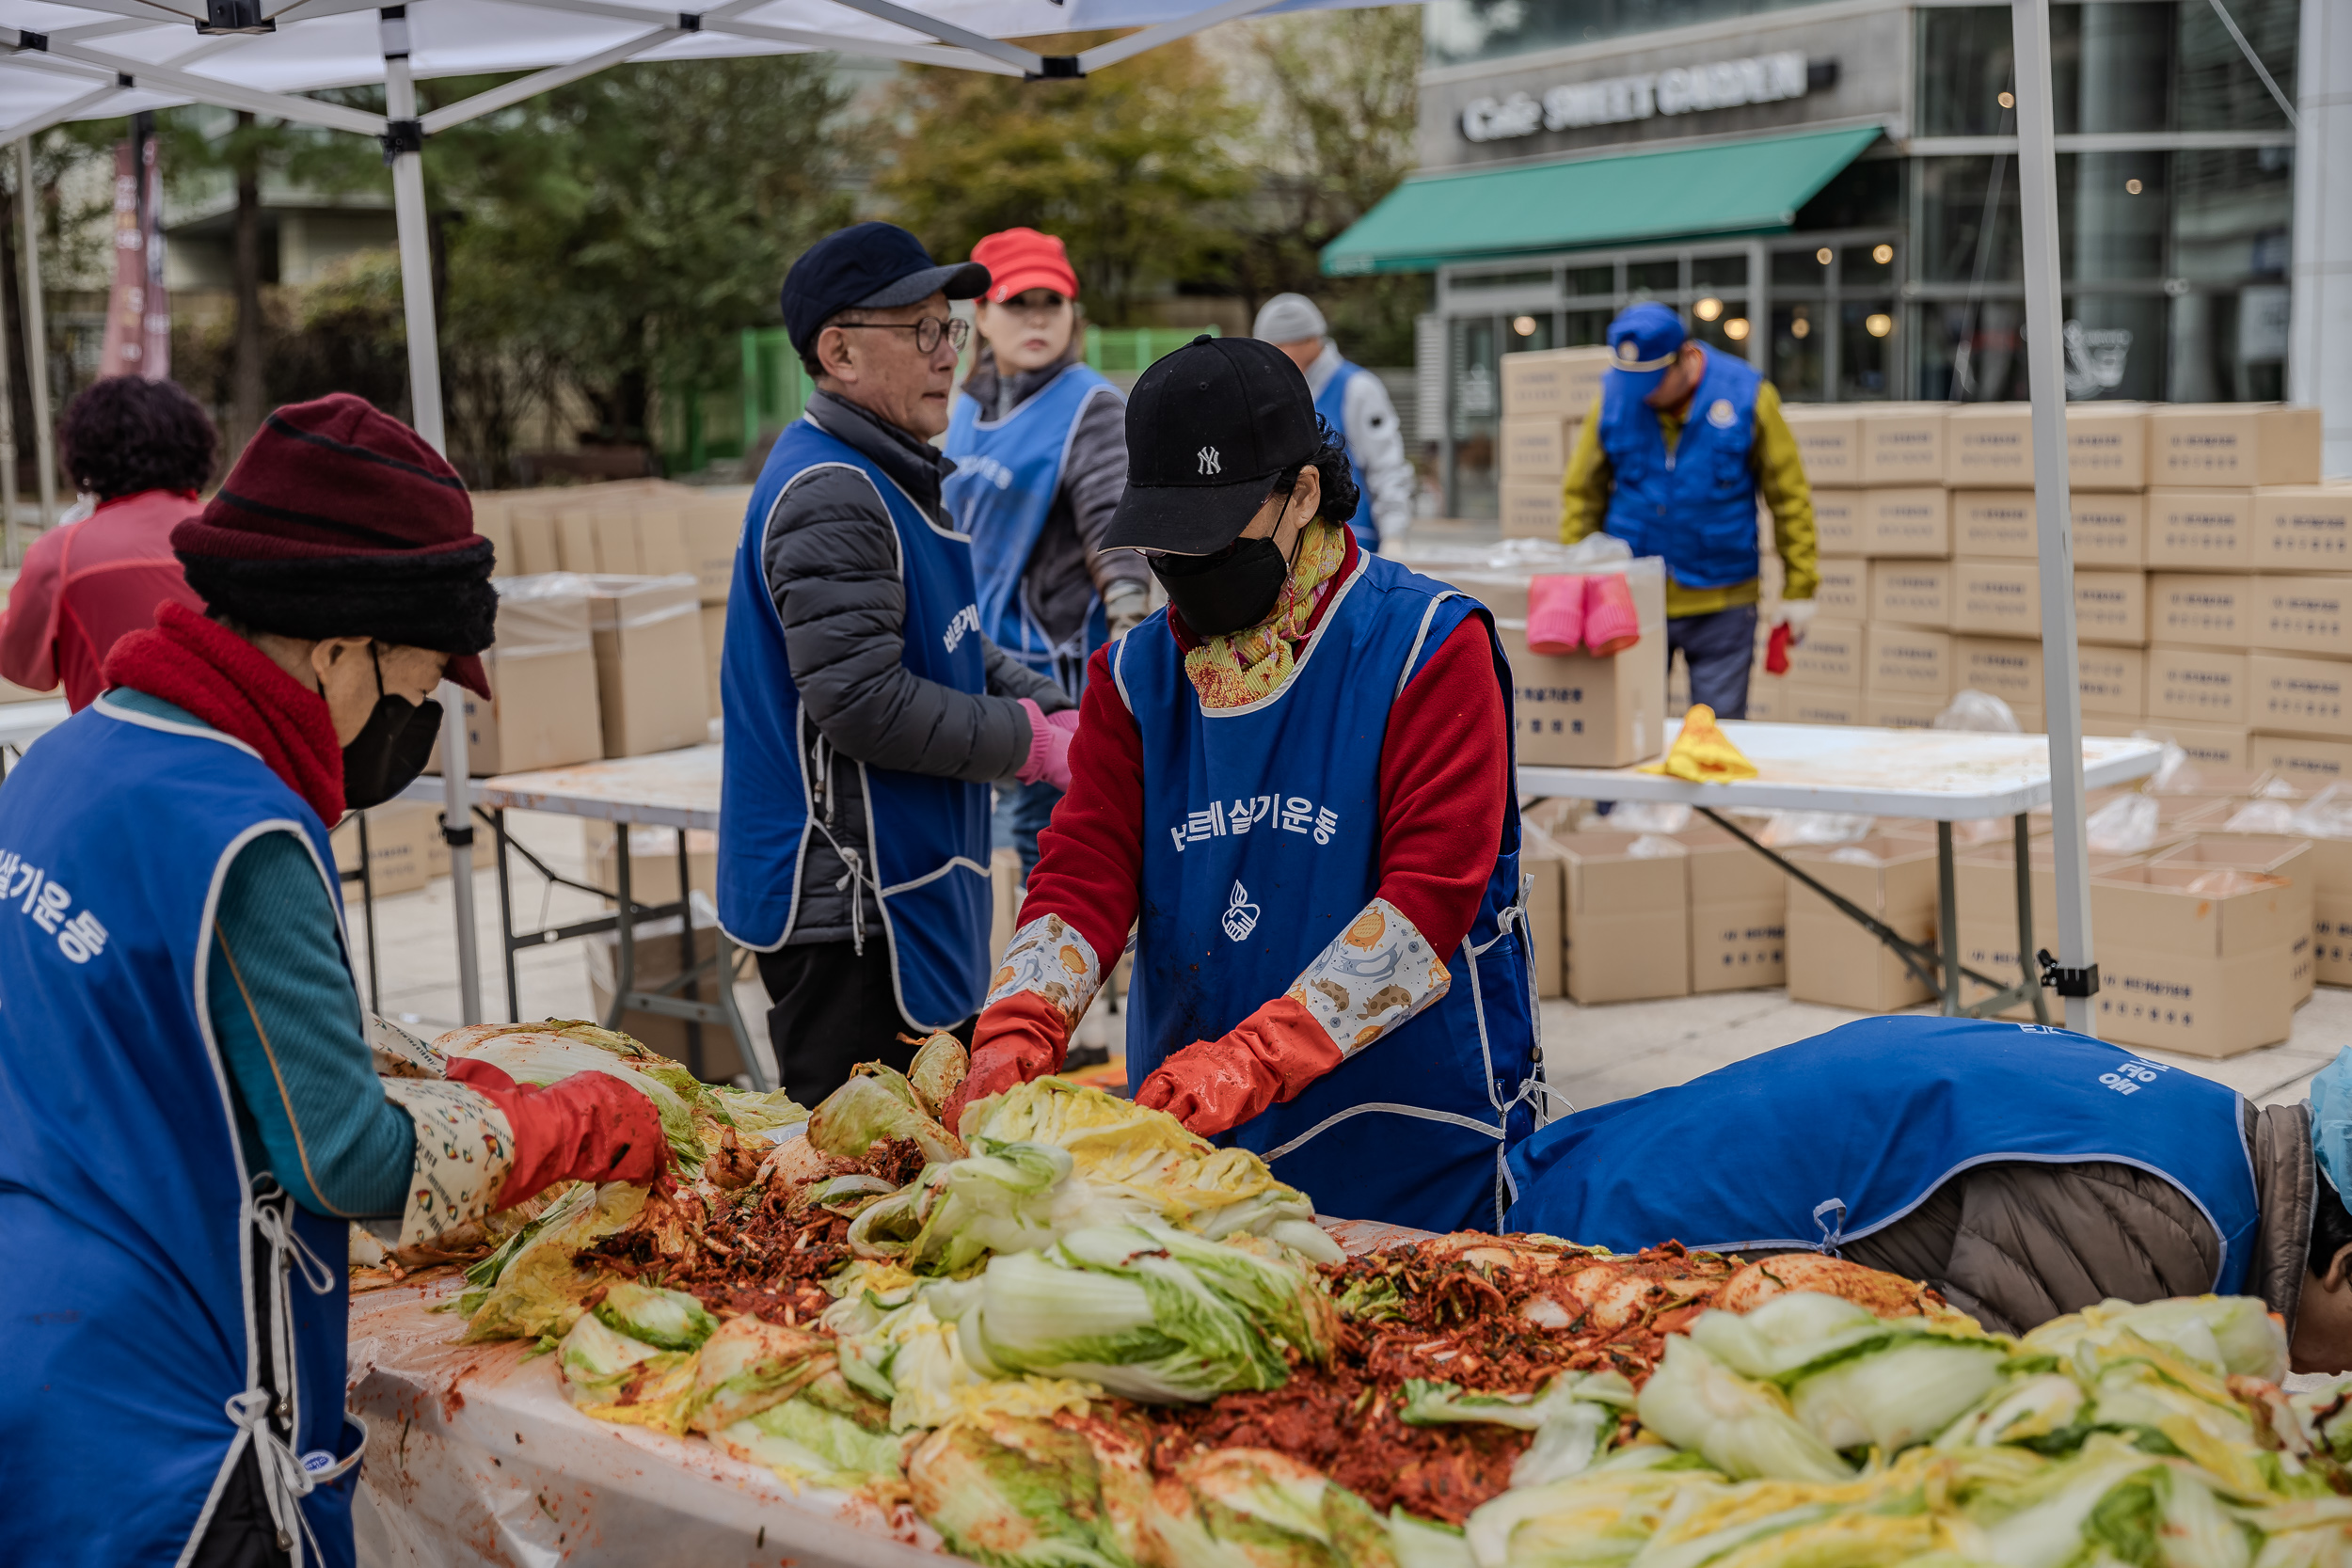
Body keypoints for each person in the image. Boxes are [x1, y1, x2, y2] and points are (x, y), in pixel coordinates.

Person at [0, 392, 664, 1568]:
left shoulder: (63, 760)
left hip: (39, 1350)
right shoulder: (245, 830)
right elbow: (343, 1156)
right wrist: (553, 1125)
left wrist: (427, 1068)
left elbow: (164, 1023)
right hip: (179, 1420)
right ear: (339, 648)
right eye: (413, 685)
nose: (411, 720)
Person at [944, 335, 1537, 1233]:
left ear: (1302, 492)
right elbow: (1086, 868)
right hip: (1191, 1150)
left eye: (1213, 536)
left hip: (1407, 1141)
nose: (1185, 570)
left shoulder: (1427, 647)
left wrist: (1255, 1059)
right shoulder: (1136, 676)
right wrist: (1021, 1017)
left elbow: (1427, 904)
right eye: (1164, 542)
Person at [720, 222, 1081, 1107]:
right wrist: (1031, 745)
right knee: (863, 1189)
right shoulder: (833, 489)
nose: (946, 354)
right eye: (920, 331)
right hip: (847, 913)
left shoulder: (887, 472)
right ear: (838, 351)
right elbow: (864, 700)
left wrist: (1057, 705)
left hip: (897, 893)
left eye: (949, 328)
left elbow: (950, 640)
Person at [1507, 1015, 2352, 1371]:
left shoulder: (2218, 1126)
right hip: (1578, 1256)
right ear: (2343, 1267)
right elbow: (1987, 1425)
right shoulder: (2165, 1228)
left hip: (1606, 1155)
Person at [946, 226, 1139, 881]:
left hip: (1048, 681)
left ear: (1072, 314)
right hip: (966, 666)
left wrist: (1127, 640)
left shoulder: (1091, 407)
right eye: (1016, 302)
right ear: (981, 314)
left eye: (1050, 302)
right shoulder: (964, 407)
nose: (1035, 318)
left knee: (1033, 850)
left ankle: (1043, 980)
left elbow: (1118, 536)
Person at [1559, 301, 1818, 720]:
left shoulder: (1748, 396)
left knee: (1715, 741)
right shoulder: (1615, 396)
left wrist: (1800, 587)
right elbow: (1582, 493)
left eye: (1655, 381)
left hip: (1722, 602)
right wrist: (1576, 573)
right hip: (1631, 600)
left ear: (1687, 358)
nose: (1644, 395)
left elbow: (1789, 497)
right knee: (1626, 731)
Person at [0, 373, 215, 707]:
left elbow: (24, 668)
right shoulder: (240, 536)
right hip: (241, 755)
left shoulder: (61, 553)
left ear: (85, 452)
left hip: (116, 752)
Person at [1252, 293, 1413, 555]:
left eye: (1278, 347)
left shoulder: (1358, 388)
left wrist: (1394, 535)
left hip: (1355, 545)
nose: (1271, 357)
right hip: (1296, 550)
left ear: (1309, 339)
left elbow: (1386, 466)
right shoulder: (1274, 391)